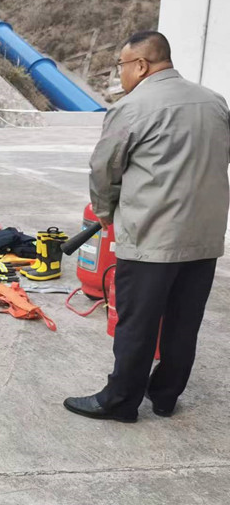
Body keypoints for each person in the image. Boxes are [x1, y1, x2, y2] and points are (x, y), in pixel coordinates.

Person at [64, 31, 230, 423]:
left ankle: (121, 402)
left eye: (121, 65)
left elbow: (103, 170)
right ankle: (166, 396)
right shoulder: (215, 102)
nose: (120, 73)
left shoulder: (133, 107)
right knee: (183, 322)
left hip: (152, 237)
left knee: (137, 323)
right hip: (204, 238)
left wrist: (105, 212)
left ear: (140, 65)